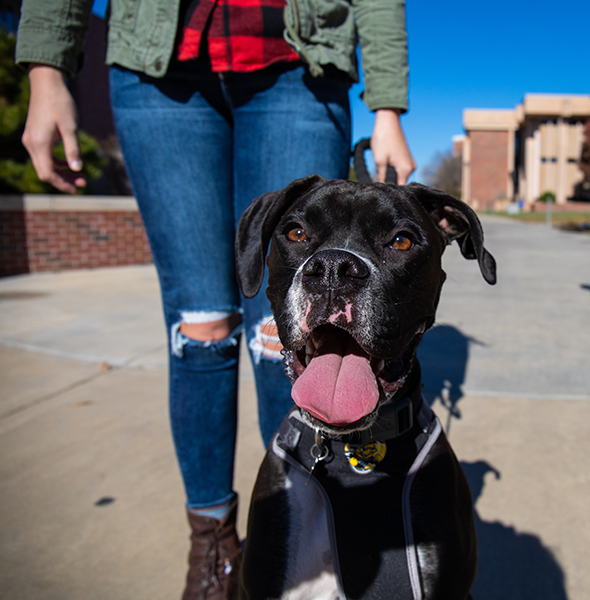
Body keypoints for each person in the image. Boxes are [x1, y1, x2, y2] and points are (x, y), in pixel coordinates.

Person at [15, 0, 415, 597]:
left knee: (280, 333)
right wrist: (47, 70)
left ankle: (300, 519)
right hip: (158, 70)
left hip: (297, 65)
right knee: (199, 329)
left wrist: (387, 106)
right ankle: (212, 541)